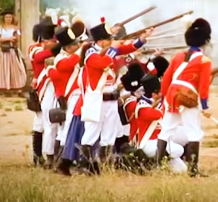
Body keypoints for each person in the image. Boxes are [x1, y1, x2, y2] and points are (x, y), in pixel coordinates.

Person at [78, 19, 153, 174]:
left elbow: (130, 47)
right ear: (100, 41)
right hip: (97, 100)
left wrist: (143, 38)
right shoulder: (90, 54)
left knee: (109, 133)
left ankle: (105, 165)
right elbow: (103, 62)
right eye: (108, 39)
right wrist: (113, 49)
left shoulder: (108, 51)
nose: (111, 41)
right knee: (91, 133)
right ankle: (85, 164)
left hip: (111, 99)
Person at [159, 18, 212, 177]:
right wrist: (205, 106)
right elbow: (203, 87)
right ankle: (193, 170)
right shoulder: (204, 61)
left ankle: (158, 166)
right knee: (194, 132)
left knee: (166, 130)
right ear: (205, 41)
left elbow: (167, 78)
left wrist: (164, 98)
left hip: (171, 96)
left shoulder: (177, 56)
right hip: (188, 98)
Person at [136, 72, 187, 173]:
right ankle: (155, 165)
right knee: (178, 150)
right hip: (148, 143)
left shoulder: (158, 103)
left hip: (161, 141)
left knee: (182, 170)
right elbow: (159, 114)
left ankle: (162, 165)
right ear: (154, 94)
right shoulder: (142, 107)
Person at [27, 23, 62, 166]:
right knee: (42, 124)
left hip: (51, 88)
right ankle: (40, 156)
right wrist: (61, 45)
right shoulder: (35, 49)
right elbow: (41, 56)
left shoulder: (48, 48)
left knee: (45, 123)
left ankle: (44, 156)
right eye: (53, 41)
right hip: (43, 90)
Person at [53, 26, 84, 156]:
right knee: (66, 129)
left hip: (76, 96)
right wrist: (82, 49)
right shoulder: (60, 59)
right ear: (68, 47)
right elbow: (68, 64)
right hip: (69, 97)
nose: (78, 46)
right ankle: (62, 158)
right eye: (75, 44)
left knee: (67, 128)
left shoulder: (73, 55)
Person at [0, 8, 27, 97]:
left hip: (12, 50)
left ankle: (15, 86)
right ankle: (3, 87)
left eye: (10, 17)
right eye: (7, 17)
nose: (8, 19)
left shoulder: (15, 28)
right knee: (3, 68)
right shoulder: (0, 28)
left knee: (15, 68)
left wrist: (15, 38)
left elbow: (17, 39)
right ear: (4, 18)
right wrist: (8, 38)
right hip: (3, 50)